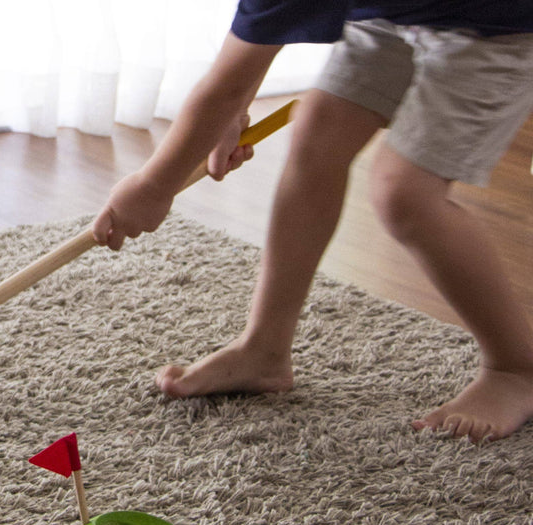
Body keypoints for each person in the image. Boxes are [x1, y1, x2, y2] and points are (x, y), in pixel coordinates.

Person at [92, 1, 533, 442]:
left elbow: (225, 85)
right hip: (394, 16)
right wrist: (234, 110)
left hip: (497, 26)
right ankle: (265, 348)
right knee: (316, 133)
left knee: (404, 193)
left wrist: (154, 186)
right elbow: (244, 60)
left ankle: (514, 367)